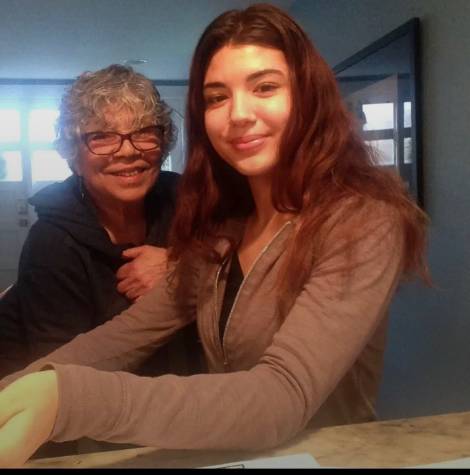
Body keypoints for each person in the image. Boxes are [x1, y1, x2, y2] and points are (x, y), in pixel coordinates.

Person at [0, 4, 430, 467]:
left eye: (265, 87)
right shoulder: (224, 226)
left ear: (308, 96)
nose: (238, 114)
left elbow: (281, 397)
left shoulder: (362, 221)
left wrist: (71, 399)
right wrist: (19, 389)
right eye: (217, 97)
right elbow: (126, 335)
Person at [0, 64, 203, 382]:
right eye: (102, 137)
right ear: (73, 154)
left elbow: (241, 264)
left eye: (144, 132)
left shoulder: (186, 200)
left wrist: (182, 267)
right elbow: (64, 381)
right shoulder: (52, 245)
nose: (128, 151)